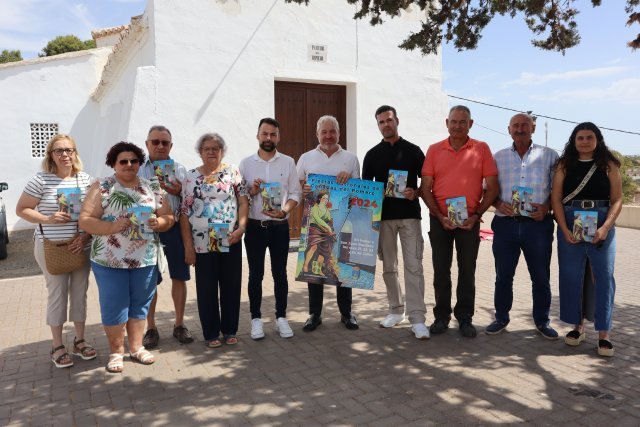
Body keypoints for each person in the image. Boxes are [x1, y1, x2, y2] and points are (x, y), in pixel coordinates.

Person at [79, 142, 174, 373]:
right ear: (114, 164)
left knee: (141, 303)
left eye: (133, 160)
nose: (129, 165)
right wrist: (112, 227)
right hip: (109, 260)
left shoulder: (152, 186)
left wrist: (158, 222)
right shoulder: (103, 187)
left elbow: (169, 216)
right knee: (114, 304)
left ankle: (137, 347)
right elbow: (85, 220)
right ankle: (116, 351)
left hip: (145, 258)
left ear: (139, 163)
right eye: (123, 161)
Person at [16, 134, 95, 369]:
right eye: (59, 151)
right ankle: (57, 345)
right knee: (57, 293)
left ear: (75, 153)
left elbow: (93, 214)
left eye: (69, 150)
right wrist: (48, 218)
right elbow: (22, 209)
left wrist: (84, 236)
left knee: (80, 292)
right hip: (50, 246)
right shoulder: (40, 180)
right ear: (51, 155)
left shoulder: (85, 180)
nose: (65, 155)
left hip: (80, 244)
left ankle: (79, 340)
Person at [420, 105, 498, 338]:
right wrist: (438, 215)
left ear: (470, 124)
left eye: (462, 122)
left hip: (469, 222)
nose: (457, 126)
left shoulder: (482, 149)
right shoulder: (434, 150)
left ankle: (465, 317)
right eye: (453, 121)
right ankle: (441, 317)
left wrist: (476, 216)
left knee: (467, 270)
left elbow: (493, 189)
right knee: (441, 270)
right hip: (440, 220)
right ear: (446, 123)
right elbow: (425, 188)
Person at [550, 122, 622, 357]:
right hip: (571, 220)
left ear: (597, 139)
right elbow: (556, 199)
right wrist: (563, 227)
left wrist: (605, 227)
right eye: (580, 137)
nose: (584, 141)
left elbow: (617, 199)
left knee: (603, 276)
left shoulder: (608, 164)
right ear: (574, 140)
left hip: (601, 222)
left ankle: (604, 334)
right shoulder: (564, 165)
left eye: (589, 137)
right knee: (572, 275)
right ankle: (577, 327)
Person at [485, 113, 559, 339]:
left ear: (533, 128)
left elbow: (559, 190)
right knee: (503, 276)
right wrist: (498, 203)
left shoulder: (550, 156)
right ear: (509, 130)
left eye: (524, 125)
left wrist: (546, 208)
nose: (520, 129)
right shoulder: (497, 157)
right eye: (515, 126)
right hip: (505, 225)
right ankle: (501, 317)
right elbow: (487, 189)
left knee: (540, 277)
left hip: (538, 226)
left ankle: (542, 321)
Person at [362, 105, 429, 339]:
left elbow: (428, 182)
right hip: (384, 219)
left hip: (410, 216)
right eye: (381, 122)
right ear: (378, 125)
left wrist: (417, 193)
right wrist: (374, 194)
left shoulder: (414, 151)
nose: (385, 125)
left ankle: (418, 318)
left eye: (389, 120)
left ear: (397, 120)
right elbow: (366, 188)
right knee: (389, 268)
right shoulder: (371, 155)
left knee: (414, 266)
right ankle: (396, 310)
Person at [180, 133, 249, 348]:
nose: (211, 152)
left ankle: (230, 330)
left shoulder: (232, 172)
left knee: (231, 285)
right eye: (207, 148)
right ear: (200, 152)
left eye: (215, 148)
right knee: (206, 288)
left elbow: (243, 201)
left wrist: (242, 227)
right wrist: (188, 247)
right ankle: (211, 333)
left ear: (222, 152)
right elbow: (183, 213)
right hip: (202, 242)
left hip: (230, 238)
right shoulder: (190, 178)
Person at [296, 115, 360, 332]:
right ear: (317, 134)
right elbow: (298, 188)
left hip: (343, 221)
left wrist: (350, 181)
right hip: (315, 222)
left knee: (342, 266)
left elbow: (359, 193)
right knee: (315, 267)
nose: (328, 136)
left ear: (339, 134)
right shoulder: (305, 158)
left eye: (332, 131)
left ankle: (346, 313)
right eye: (324, 132)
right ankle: (314, 314)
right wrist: (304, 190)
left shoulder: (351, 159)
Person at [239, 117, 301, 340]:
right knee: (255, 275)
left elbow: (295, 193)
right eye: (264, 134)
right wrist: (252, 190)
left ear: (278, 137)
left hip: (279, 227)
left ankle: (281, 318)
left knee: (280, 274)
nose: (268, 138)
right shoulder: (246, 164)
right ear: (257, 136)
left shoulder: (288, 162)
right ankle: (256, 319)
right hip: (255, 227)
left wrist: (284, 211)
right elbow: (240, 196)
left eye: (273, 134)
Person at [138, 125, 194, 348]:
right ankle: (151, 328)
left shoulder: (181, 170)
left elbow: (191, 202)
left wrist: (180, 191)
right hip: (147, 230)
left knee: (179, 276)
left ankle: (179, 324)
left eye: (165, 142)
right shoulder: (138, 170)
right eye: (155, 142)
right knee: (149, 280)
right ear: (147, 144)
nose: (160, 146)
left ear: (171, 145)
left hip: (175, 229)